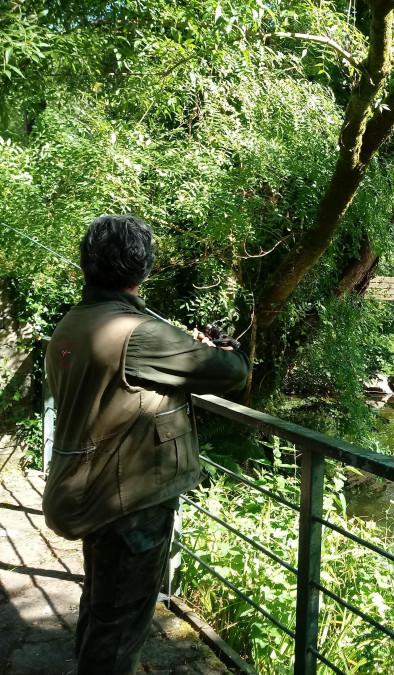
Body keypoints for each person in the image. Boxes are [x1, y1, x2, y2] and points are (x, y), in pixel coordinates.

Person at [42, 214, 251, 675]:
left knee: (101, 605)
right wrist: (226, 346)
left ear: (86, 265)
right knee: (121, 629)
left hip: (83, 489)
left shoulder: (70, 325)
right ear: (144, 268)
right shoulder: (141, 335)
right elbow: (233, 373)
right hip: (127, 502)